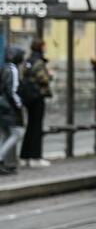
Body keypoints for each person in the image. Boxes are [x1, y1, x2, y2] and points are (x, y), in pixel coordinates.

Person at [19, 38, 52, 168]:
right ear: (41, 47)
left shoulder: (28, 61)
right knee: (37, 127)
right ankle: (35, 157)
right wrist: (50, 75)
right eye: (45, 45)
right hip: (37, 97)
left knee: (30, 127)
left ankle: (24, 156)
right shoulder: (39, 61)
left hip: (28, 98)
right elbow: (43, 78)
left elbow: (24, 76)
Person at [0, 46, 25, 174]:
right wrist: (19, 104)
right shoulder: (13, 69)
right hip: (9, 107)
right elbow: (13, 90)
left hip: (3, 107)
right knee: (17, 133)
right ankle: (0, 159)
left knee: (6, 134)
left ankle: (3, 162)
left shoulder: (4, 67)